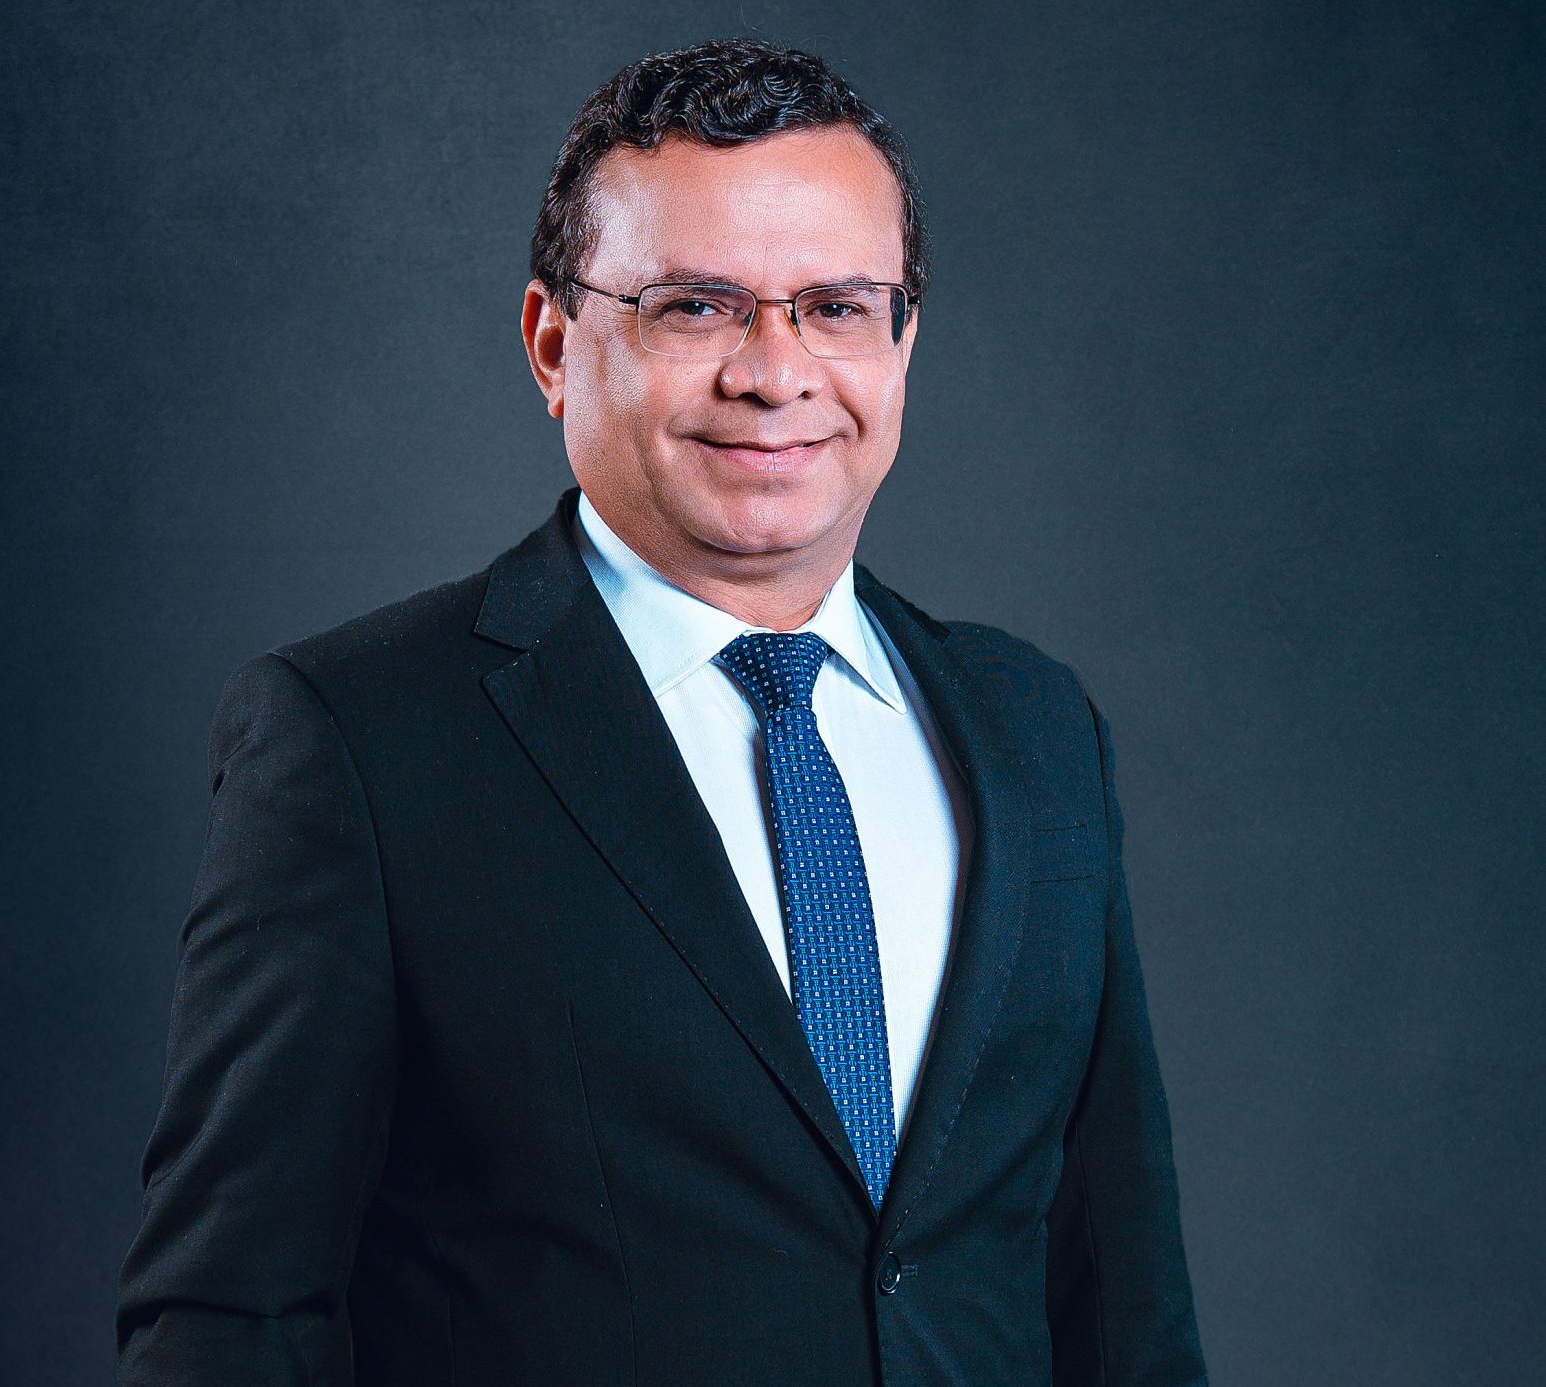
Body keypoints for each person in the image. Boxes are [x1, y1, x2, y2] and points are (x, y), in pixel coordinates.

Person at [116, 37, 1208, 1387]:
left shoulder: (1035, 729)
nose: (775, 372)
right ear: (553, 343)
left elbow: (1124, 1300)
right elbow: (230, 1318)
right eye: (696, 307)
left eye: (835, 306)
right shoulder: (357, 739)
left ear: (903, 340)